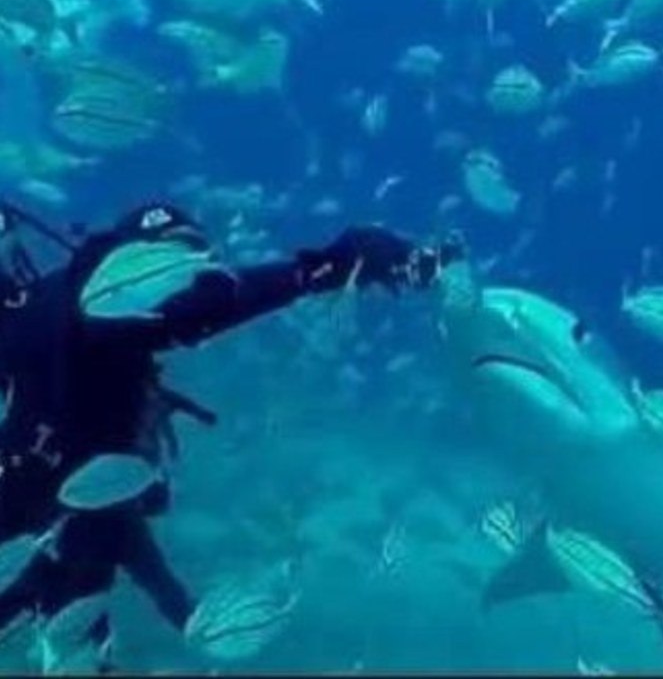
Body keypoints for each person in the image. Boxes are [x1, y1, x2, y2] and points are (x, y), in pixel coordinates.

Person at [0, 200, 464, 667]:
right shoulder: (97, 313)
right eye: (173, 269)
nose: (188, 281)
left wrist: (185, 613)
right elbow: (194, 308)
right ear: (131, 262)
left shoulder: (82, 334)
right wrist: (326, 267)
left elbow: (108, 522)